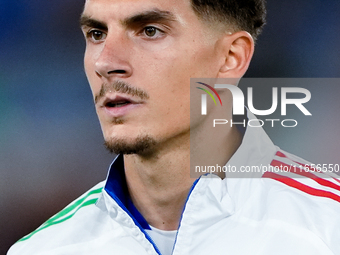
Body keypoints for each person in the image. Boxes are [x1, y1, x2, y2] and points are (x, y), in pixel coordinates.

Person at [8, 0, 340, 254]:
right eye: (97, 34)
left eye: (150, 30)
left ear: (230, 58)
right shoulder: (44, 248)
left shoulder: (328, 226)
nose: (105, 62)